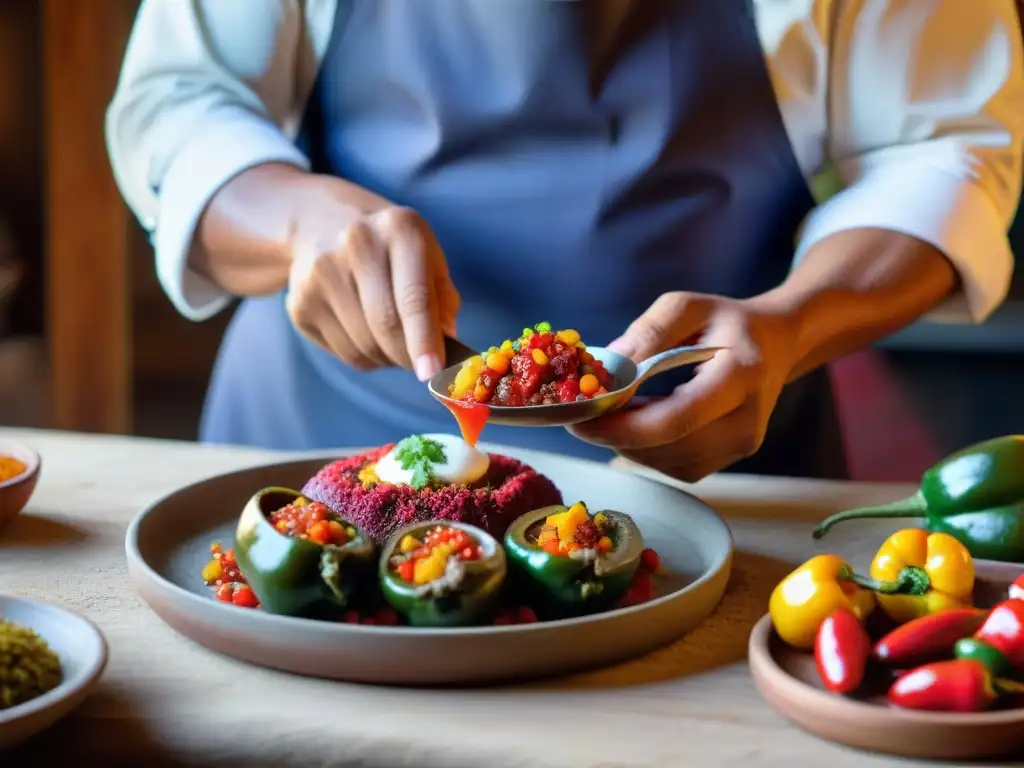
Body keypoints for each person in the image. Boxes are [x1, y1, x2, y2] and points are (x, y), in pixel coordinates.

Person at [106, 0, 1023, 481]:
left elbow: (940, 147)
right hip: (318, 444)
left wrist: (790, 323)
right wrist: (300, 225)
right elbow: (179, 102)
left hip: (722, 461)